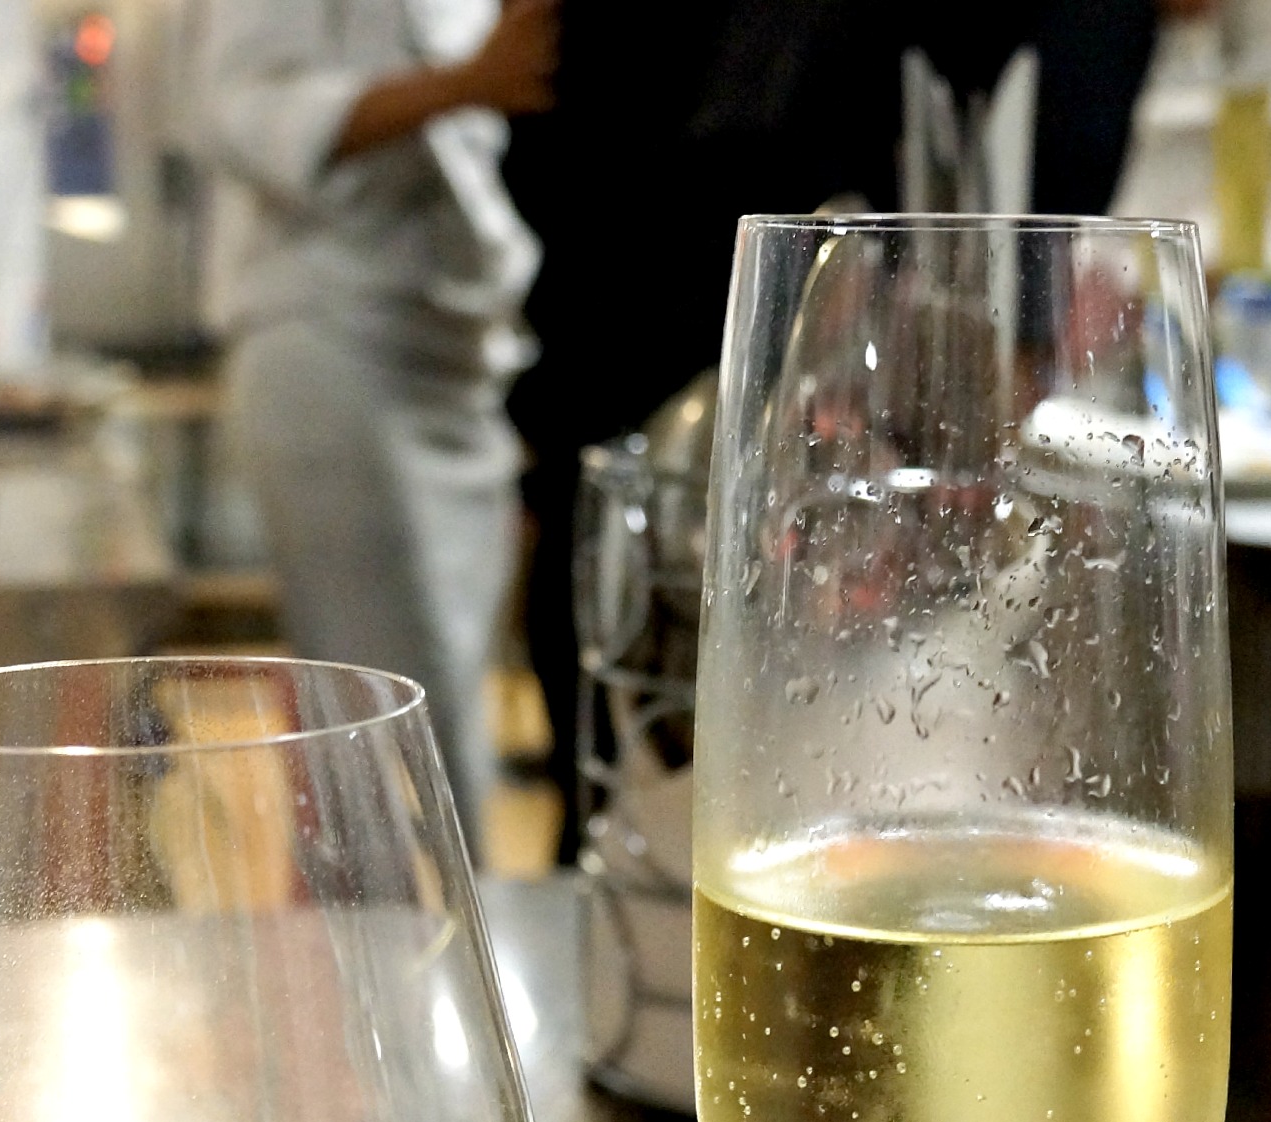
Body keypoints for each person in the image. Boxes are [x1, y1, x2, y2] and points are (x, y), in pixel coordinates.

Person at [505, 0, 1190, 863]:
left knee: (646, 799)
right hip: (751, 398)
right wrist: (1013, 347)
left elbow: (539, 137)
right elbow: (1061, 144)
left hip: (621, 367)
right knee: (821, 805)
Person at [182, 0, 559, 841]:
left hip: (457, 349)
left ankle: (433, 909)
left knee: (444, 707)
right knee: (391, 727)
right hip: (334, 333)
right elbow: (239, 111)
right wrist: (463, 84)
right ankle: (418, 915)